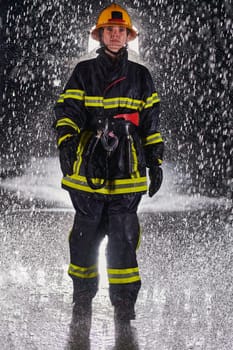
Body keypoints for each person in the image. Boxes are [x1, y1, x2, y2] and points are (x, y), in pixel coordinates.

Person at [53, 2, 164, 334]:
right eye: (109, 30)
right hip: (88, 172)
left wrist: (155, 161)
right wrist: (67, 143)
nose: (115, 35)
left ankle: (124, 308)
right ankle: (82, 299)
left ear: (128, 36)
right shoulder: (83, 72)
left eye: (121, 30)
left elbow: (152, 124)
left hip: (128, 173)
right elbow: (67, 112)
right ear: (99, 35)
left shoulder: (141, 77)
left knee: (123, 241)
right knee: (84, 239)